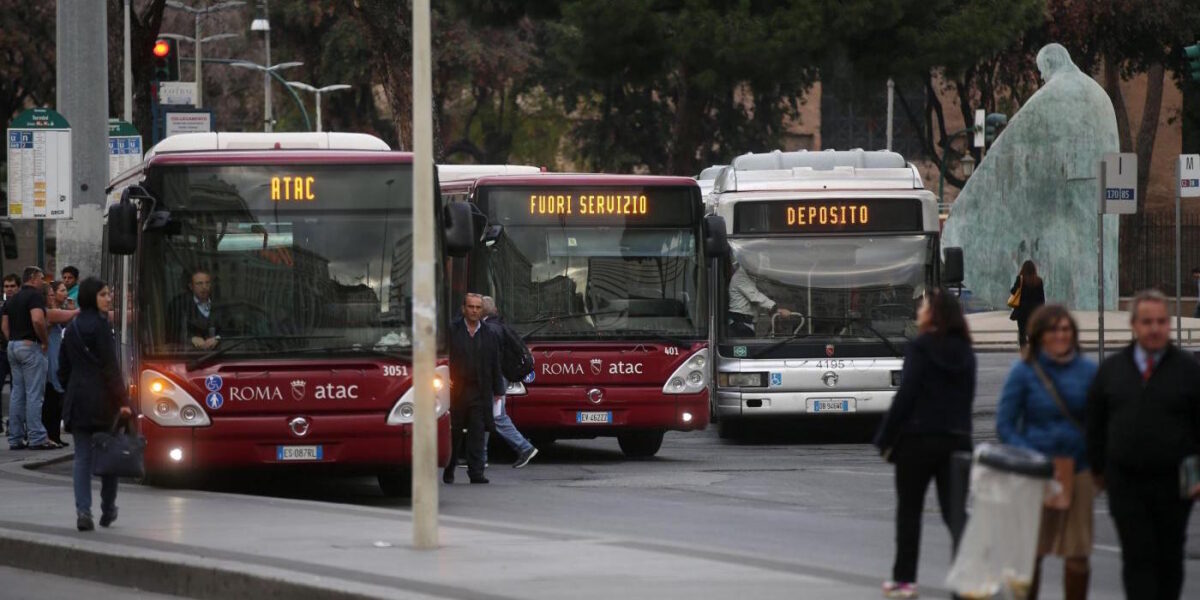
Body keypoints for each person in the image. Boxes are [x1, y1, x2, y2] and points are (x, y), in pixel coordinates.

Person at [1087, 289, 1200, 599]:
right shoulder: (1113, 370)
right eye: (1147, 321)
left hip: (1174, 485)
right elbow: (1095, 424)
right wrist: (1098, 470)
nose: (1154, 328)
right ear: (1134, 325)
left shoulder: (1188, 370)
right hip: (1126, 484)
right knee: (1137, 558)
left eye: (1161, 321)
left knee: (1169, 559)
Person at [873, 288, 976, 599]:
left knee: (910, 512)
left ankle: (904, 581)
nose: (919, 311)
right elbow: (967, 398)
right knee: (955, 513)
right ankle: (969, 579)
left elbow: (906, 396)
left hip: (917, 441)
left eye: (924, 306)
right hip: (957, 440)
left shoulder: (920, 347)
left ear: (933, 314)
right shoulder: (966, 351)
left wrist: (885, 436)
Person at [996, 305, 1097, 600]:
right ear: (1039, 335)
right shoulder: (1024, 371)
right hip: (1036, 474)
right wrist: (1033, 457)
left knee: (1078, 556)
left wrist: (1095, 459)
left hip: (1077, 470)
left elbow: (1099, 420)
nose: (1061, 335)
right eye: (1053, 329)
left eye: (1066, 329)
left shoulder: (1088, 371)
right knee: (1032, 554)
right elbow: (1005, 424)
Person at [59, 277, 131, 532]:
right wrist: (124, 402)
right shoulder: (101, 327)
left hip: (77, 400)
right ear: (92, 297)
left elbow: (62, 369)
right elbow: (111, 369)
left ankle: (83, 511)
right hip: (103, 402)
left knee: (82, 458)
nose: (109, 298)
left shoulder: (72, 326)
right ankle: (108, 508)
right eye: (104, 294)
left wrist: (74, 387)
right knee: (108, 457)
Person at [444, 293, 505, 484]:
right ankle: (449, 469)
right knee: (453, 433)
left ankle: (476, 473)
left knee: (477, 433)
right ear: (464, 308)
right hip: (455, 392)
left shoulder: (489, 333)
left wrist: (498, 391)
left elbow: (495, 362)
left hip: (479, 391)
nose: (474, 311)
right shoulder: (452, 331)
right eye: (471, 307)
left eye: (478, 308)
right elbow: (442, 356)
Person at [481, 296, 538, 469]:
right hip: (500, 378)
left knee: (497, 416)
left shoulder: (489, 329)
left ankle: (524, 448)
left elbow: (492, 359)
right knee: (485, 415)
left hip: (496, 379)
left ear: (482, 311)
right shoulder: (500, 326)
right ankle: (479, 456)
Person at [2, 266, 53, 450]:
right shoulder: (34, 296)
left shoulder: (13, 299)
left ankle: (15, 437)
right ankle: (37, 437)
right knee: (34, 394)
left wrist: (13, 341)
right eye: (40, 278)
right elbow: (38, 320)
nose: (42, 282)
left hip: (13, 346)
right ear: (32, 278)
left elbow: (4, 325)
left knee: (17, 393)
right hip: (30, 346)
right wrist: (44, 340)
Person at [42, 281, 79, 448]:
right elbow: (66, 316)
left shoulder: (56, 310)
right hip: (50, 358)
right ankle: (50, 434)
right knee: (51, 398)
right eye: (61, 290)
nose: (66, 293)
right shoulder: (48, 312)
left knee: (56, 399)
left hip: (56, 356)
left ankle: (55, 435)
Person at [727, 259, 791, 337]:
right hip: (740, 322)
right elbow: (755, 296)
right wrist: (776, 308)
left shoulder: (751, 276)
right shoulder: (741, 277)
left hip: (748, 321)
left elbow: (764, 291)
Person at [167, 268, 220, 350]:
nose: (204, 287)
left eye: (207, 283)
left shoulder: (220, 305)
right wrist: (191, 339)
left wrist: (217, 338)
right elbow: (171, 334)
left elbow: (229, 331)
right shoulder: (179, 306)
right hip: (190, 356)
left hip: (219, 355)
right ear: (191, 286)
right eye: (199, 283)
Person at [1010, 260, 1046, 348]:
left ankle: (1024, 353)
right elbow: (1041, 298)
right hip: (1034, 311)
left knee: (1022, 333)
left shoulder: (1020, 279)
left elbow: (1013, 291)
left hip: (1022, 311)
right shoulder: (1038, 280)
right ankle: (1033, 352)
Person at [0, 274, 18, 435]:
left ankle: (14, 425)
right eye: (6, 286)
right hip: (2, 352)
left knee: (16, 390)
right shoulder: (3, 306)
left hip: (14, 350)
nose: (9, 289)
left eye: (12, 286)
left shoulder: (20, 306)